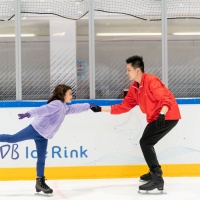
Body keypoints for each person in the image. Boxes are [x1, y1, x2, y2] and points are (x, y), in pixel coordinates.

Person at [91, 55, 181, 192]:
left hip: (167, 115)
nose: (126, 73)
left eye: (128, 70)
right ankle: (154, 173)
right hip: (156, 117)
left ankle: (157, 177)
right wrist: (101, 109)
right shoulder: (134, 88)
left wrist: (162, 113)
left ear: (137, 70)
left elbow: (166, 98)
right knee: (146, 142)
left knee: (145, 142)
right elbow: (124, 106)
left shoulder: (151, 80)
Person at [0, 84, 97, 194]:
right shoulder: (57, 104)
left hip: (44, 136)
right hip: (35, 129)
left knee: (41, 159)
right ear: (62, 94)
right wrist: (29, 113)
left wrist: (88, 105)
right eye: (70, 94)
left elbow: (74, 108)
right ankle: (39, 182)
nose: (72, 96)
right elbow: (43, 110)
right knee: (12, 139)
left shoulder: (64, 107)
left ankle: (39, 182)